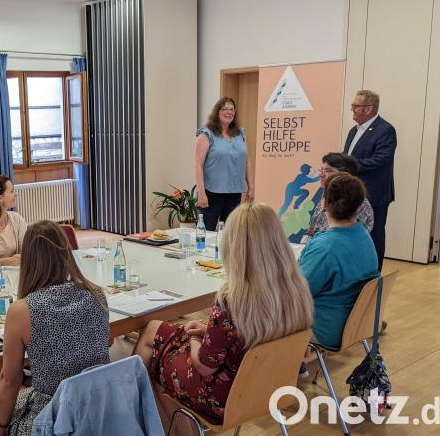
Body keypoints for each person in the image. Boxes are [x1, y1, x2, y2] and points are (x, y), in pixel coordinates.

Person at [134, 203, 313, 423]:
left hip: (226, 395)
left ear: (234, 246)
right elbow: (248, 335)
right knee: (155, 329)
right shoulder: (297, 288)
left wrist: (193, 337)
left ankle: (133, 415)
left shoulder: (233, 299)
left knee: (156, 351)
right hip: (269, 385)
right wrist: (207, 330)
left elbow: (204, 366)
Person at [0, 221, 109, 436]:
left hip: (54, 416)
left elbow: (10, 380)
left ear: (28, 260)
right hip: (100, 408)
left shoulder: (23, 310)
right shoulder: (96, 294)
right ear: (66, 253)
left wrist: (1, 425)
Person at [299, 173, 379, 350]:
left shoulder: (325, 248)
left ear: (324, 202)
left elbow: (295, 295)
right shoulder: (364, 236)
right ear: (359, 205)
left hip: (325, 328)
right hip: (355, 324)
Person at [344, 90, 397, 270]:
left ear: (368, 109)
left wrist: (348, 165)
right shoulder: (354, 130)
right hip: (353, 193)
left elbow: (381, 160)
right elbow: (348, 157)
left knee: (374, 237)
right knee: (353, 235)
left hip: (374, 194)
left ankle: (373, 277)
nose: (352, 109)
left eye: (355, 106)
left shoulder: (385, 130)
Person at [195, 97, 254, 231]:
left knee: (232, 232)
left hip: (234, 191)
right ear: (217, 112)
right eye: (225, 108)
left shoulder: (240, 134)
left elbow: (247, 161)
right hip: (212, 192)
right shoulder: (206, 134)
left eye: (232, 109)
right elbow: (198, 165)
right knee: (207, 231)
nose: (229, 112)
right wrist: (201, 193)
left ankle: (227, 253)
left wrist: (251, 186)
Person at [303, 152, 374, 242]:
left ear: (345, 175)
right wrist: (303, 246)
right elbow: (311, 230)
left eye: (327, 171)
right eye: (321, 170)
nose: (321, 175)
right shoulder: (328, 195)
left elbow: (345, 240)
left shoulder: (358, 203)